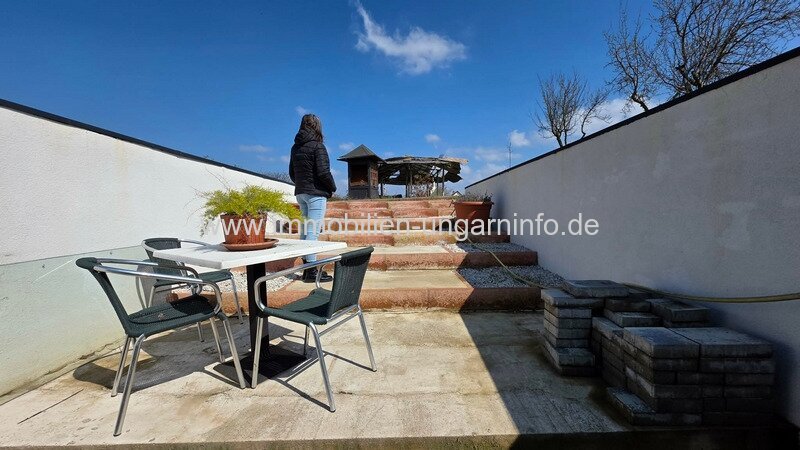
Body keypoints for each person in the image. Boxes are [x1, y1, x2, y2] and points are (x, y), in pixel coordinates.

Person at [289, 114, 337, 283]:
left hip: (301, 193)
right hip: (315, 194)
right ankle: (311, 272)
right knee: (312, 233)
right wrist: (332, 187)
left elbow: (292, 173)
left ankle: (305, 269)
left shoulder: (295, 147)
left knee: (304, 231)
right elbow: (324, 172)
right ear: (317, 127)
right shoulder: (318, 146)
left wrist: (302, 185)